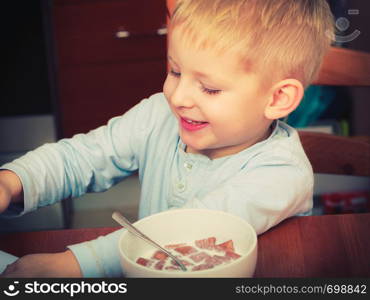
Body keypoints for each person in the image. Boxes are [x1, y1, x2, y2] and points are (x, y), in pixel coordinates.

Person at [0, 0, 334, 277]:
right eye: (175, 71)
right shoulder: (159, 115)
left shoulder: (280, 175)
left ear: (277, 99)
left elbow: (185, 233)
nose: (177, 97)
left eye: (210, 87)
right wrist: (12, 182)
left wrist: (76, 265)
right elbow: (82, 158)